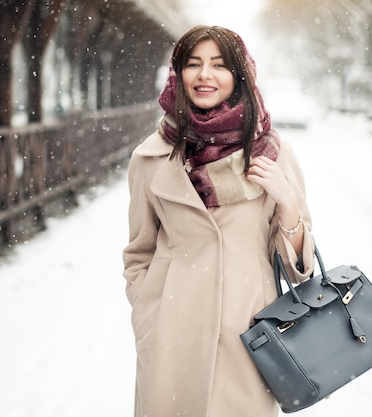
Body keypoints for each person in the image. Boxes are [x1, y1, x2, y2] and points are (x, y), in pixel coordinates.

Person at [122, 25, 316, 417]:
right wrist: (150, 312)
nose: (205, 75)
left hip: (248, 334)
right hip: (172, 335)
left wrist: (288, 202)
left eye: (219, 65)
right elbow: (138, 251)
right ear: (178, 75)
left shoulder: (273, 153)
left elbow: (300, 271)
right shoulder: (152, 156)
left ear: (239, 75)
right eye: (193, 64)